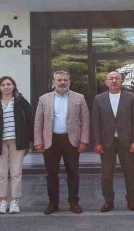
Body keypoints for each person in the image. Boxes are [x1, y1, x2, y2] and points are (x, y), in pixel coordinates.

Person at [34, 70, 90, 214]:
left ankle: (74, 202)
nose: (62, 82)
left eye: (65, 80)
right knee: (51, 174)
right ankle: (53, 203)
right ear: (53, 82)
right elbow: (38, 121)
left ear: (69, 81)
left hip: (71, 141)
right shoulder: (44, 99)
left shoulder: (79, 98)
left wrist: (84, 141)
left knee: (73, 173)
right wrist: (38, 141)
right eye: (59, 80)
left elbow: (85, 120)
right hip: (50, 140)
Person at [0, 76, 34, 214]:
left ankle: (15, 201)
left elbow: (30, 121)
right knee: (1, 173)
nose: (6, 87)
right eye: (3, 84)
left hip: (17, 141)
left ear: (13, 86)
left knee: (16, 173)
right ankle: (3, 201)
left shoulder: (21, 101)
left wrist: (30, 141)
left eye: (9, 84)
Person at [91, 71, 134, 212]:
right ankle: (108, 201)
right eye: (111, 79)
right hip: (107, 142)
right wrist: (97, 142)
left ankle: (131, 201)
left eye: (117, 78)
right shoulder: (98, 99)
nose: (114, 81)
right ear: (106, 82)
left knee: (130, 173)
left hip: (127, 141)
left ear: (122, 81)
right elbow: (95, 122)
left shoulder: (132, 97)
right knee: (106, 174)